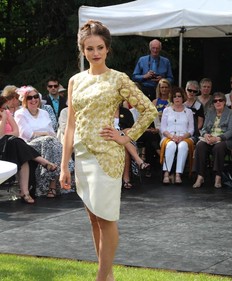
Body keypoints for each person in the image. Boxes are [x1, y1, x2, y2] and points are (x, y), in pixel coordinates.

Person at [59, 20, 157, 281]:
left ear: (107, 49)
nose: (95, 53)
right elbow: (70, 125)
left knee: (106, 219)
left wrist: (125, 136)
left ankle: (102, 277)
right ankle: (108, 275)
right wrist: (63, 165)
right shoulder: (75, 81)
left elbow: (149, 110)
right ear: (82, 50)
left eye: (100, 47)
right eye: (89, 48)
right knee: (93, 219)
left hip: (108, 158)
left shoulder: (118, 79)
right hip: (82, 157)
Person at [0, 96, 57, 204]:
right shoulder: (4, 115)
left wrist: (7, 134)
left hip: (12, 145)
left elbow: (16, 132)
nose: (4, 109)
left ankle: (25, 192)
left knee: (18, 147)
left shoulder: (7, 113)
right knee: (15, 142)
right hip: (2, 149)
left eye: (4, 107)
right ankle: (43, 162)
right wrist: (3, 120)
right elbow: (1, 135)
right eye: (1, 108)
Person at [14, 86, 63, 197]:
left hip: (48, 142)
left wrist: (46, 135)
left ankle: (52, 185)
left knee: (53, 143)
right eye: (29, 98)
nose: (33, 100)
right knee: (50, 142)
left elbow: (52, 132)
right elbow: (27, 134)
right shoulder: (20, 113)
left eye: (35, 97)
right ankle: (52, 186)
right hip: (29, 145)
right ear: (25, 100)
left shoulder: (44, 113)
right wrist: (45, 134)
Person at [192, 92, 232, 189]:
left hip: (224, 139)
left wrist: (218, 138)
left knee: (218, 147)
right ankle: (200, 176)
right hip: (210, 138)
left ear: (224, 102)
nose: (218, 102)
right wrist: (206, 135)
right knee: (200, 146)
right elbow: (203, 129)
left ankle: (218, 176)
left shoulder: (231, 113)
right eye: (215, 101)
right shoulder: (210, 112)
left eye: (220, 100)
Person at [160, 87, 194, 184]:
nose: (177, 98)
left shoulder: (188, 112)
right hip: (168, 137)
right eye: (174, 97)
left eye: (179, 96)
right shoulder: (166, 110)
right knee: (171, 145)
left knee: (183, 146)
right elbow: (163, 128)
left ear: (183, 97)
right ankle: (166, 173)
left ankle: (178, 174)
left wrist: (183, 137)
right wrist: (171, 136)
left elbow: (191, 129)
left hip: (184, 137)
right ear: (172, 98)